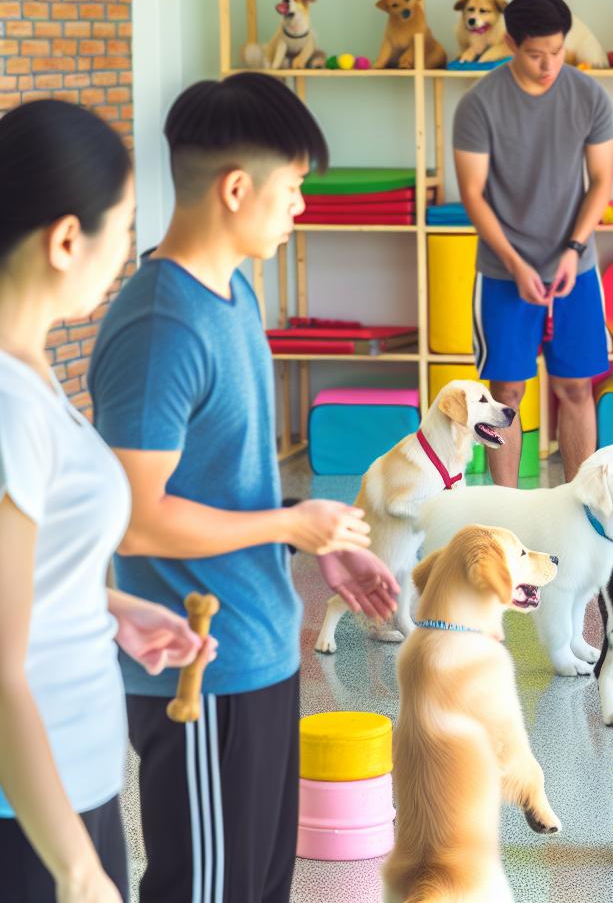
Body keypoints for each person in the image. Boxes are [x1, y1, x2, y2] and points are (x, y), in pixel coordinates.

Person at [88, 73, 400, 902]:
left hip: (261, 648)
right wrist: (288, 526)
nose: (299, 206)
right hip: (201, 673)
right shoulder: (163, 327)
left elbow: (230, 482)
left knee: (259, 886)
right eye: (294, 188)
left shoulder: (233, 292)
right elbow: (138, 522)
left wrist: (312, 540)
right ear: (236, 188)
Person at [0, 100, 207, 903]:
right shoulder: (11, 403)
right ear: (63, 240)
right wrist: (77, 868)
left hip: (65, 783)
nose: (128, 252)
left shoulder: (32, 374)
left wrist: (109, 608)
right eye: (122, 228)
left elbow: (27, 571)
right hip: (32, 814)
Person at [453, 0, 613, 484]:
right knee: (505, 394)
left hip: (575, 267)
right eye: (535, 54)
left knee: (576, 388)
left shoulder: (589, 96)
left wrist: (573, 250)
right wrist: (516, 263)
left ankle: (582, 507)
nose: (548, 66)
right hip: (504, 272)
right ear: (509, 43)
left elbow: (602, 182)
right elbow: (473, 195)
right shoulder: (479, 103)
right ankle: (504, 513)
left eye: (557, 52)